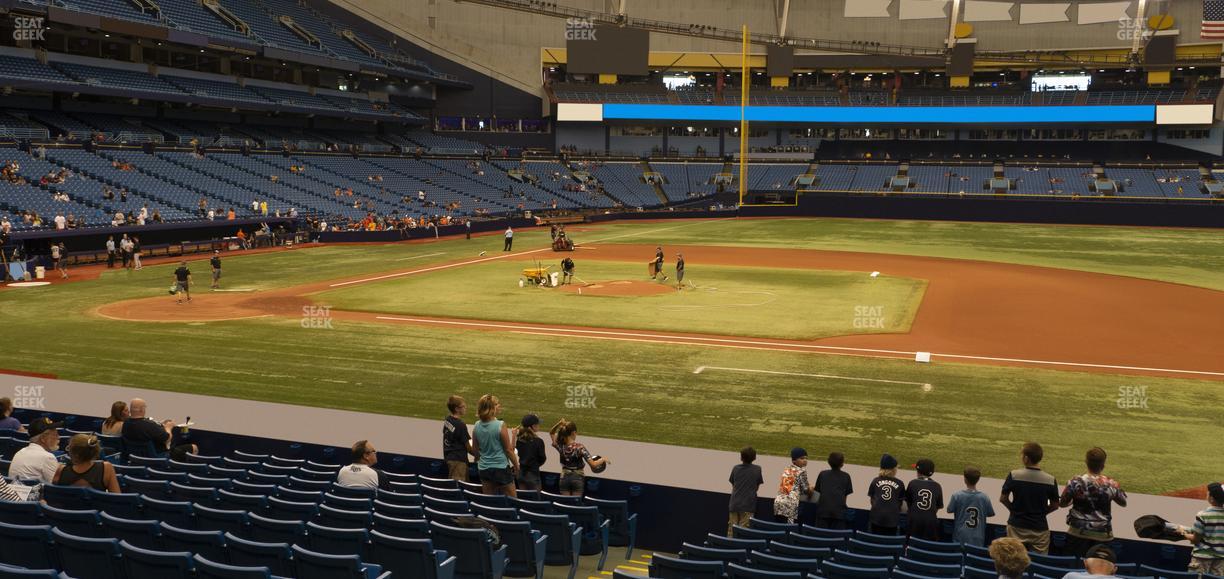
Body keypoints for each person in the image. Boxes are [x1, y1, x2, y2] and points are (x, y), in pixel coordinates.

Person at [1060, 447, 1127, 557]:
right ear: (1103, 465)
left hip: (1077, 533)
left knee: (1074, 568)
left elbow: (1062, 503)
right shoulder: (1111, 484)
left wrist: (1072, 502)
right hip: (1103, 536)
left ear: (1086, 462)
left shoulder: (1075, 482)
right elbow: (1123, 502)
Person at [1001, 442, 1060, 553]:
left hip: (1016, 525)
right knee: (1039, 564)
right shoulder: (1050, 480)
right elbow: (1055, 505)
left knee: (1012, 561)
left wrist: (1014, 510)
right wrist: (1042, 513)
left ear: (1026, 458)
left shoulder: (1014, 475)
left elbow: (1003, 499)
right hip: (1039, 527)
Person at [473, 394, 518, 496]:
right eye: (497, 404)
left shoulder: (476, 425)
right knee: (512, 500)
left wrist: (481, 460)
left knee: (490, 501)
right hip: (501, 468)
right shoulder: (500, 425)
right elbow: (509, 450)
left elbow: (475, 451)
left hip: (484, 469)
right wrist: (516, 466)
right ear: (491, 408)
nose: (499, 405)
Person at [122, 398, 197, 460]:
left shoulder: (125, 424)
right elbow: (167, 438)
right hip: (158, 457)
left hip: (136, 457)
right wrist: (168, 427)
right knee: (193, 447)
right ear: (141, 410)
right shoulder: (149, 425)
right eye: (144, 407)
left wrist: (160, 425)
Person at [550, 418, 607, 496]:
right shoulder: (580, 447)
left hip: (564, 478)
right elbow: (593, 464)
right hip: (577, 478)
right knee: (575, 504)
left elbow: (552, 433)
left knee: (566, 504)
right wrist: (603, 459)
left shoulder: (560, 446)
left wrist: (559, 424)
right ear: (573, 432)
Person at [53, 434, 121, 492]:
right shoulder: (106, 468)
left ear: (75, 454)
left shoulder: (61, 470)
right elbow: (116, 498)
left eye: (69, 448)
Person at [1182, 481, 1224, 576]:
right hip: (1221, 560)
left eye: (1208, 493)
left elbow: (1196, 539)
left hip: (1201, 559)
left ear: (1212, 499)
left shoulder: (1202, 515)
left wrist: (1183, 534)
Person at [948, 466, 996, 546]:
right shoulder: (984, 497)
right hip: (978, 536)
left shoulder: (957, 495)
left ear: (965, 479)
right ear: (978, 480)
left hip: (960, 535)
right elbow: (991, 513)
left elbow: (949, 510)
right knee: (974, 556)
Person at [9, 417, 63, 483]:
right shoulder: (48, 457)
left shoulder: (20, 452)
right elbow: (55, 487)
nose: (58, 437)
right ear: (43, 438)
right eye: (55, 434)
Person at [727, 446, 764, 535]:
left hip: (734, 503)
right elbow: (757, 486)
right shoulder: (757, 469)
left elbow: (733, 483)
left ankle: (729, 547)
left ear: (741, 457)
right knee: (743, 532)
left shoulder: (735, 468)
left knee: (731, 530)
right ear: (754, 458)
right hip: (748, 505)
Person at [813, 451, 853, 529]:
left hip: (822, 512)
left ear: (828, 462)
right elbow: (844, 497)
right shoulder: (846, 476)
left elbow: (818, 492)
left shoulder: (822, 474)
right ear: (842, 464)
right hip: (839, 514)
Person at [868, 453, 906, 535]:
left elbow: (872, 500)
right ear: (893, 469)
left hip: (876, 519)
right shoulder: (900, 483)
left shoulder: (875, 480)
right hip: (892, 521)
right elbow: (900, 502)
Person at [907, 458, 945, 541]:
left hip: (914, 522)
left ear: (918, 471)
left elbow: (908, 503)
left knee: (911, 543)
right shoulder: (937, 486)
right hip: (930, 523)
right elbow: (938, 506)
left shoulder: (913, 483)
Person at [773, 447, 813, 524]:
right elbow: (806, 490)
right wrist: (812, 489)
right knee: (788, 529)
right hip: (790, 505)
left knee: (778, 527)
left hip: (778, 502)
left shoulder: (787, 469)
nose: (805, 460)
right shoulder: (802, 471)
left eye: (806, 458)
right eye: (801, 458)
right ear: (794, 460)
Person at [443, 395, 477, 482]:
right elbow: (468, 447)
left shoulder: (448, 420)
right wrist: (478, 456)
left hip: (449, 456)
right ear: (457, 409)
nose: (465, 408)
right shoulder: (460, 425)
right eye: (463, 406)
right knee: (458, 486)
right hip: (458, 460)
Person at [514, 414, 546, 491]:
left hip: (521, 473)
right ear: (533, 426)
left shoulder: (519, 440)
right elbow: (542, 458)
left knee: (524, 498)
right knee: (535, 500)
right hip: (533, 474)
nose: (539, 425)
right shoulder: (538, 441)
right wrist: (535, 465)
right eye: (537, 424)